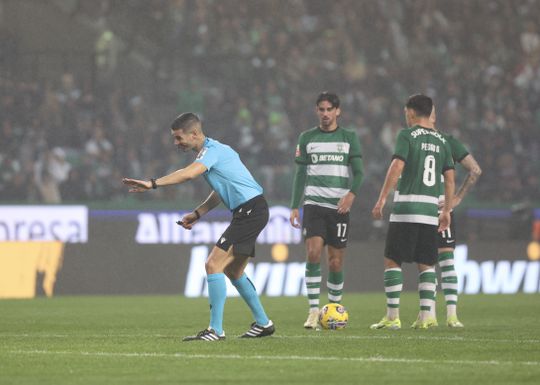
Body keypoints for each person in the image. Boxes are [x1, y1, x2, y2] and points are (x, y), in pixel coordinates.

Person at [123, 112, 274, 341]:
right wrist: (198, 212)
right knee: (233, 271)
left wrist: (152, 183)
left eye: (179, 138)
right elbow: (221, 189)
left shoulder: (211, 151)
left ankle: (216, 330)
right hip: (251, 210)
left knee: (212, 264)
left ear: (194, 134)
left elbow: (188, 174)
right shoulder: (213, 153)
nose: (176, 143)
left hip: (250, 211)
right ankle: (264, 323)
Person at [370, 94, 455, 330]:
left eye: (406, 112)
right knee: (426, 263)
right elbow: (449, 179)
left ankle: (392, 316)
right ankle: (427, 316)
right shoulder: (443, 141)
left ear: (411, 112)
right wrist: (446, 209)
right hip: (430, 211)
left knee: (392, 259)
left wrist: (382, 198)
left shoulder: (407, 135)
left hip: (406, 208)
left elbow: (397, 165)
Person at [289, 92, 364, 329]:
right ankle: (313, 310)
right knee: (313, 253)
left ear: (337, 111)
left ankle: (333, 310)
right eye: (321, 109)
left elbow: (360, 173)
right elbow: (300, 174)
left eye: (329, 109)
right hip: (314, 204)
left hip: (339, 208)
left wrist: (351, 194)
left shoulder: (349, 137)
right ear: (316, 111)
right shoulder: (306, 138)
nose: (325, 114)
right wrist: (294, 205)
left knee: (335, 263)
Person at [430, 106, 482, 328]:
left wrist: (456, 199)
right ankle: (444, 316)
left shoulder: (420, 140)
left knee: (434, 263)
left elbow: (475, 170)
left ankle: (439, 315)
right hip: (434, 208)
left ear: (433, 116)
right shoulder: (444, 141)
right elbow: (475, 170)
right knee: (436, 263)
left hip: (436, 208)